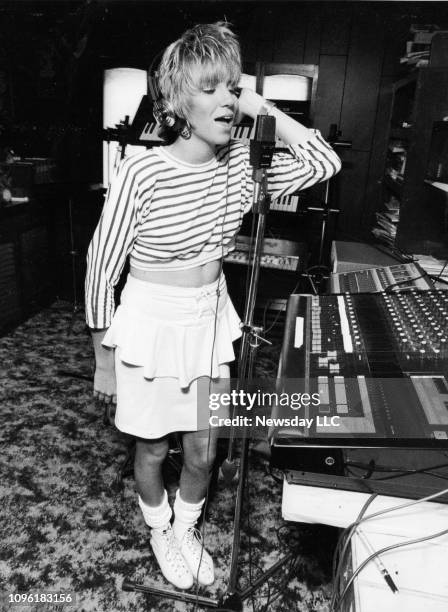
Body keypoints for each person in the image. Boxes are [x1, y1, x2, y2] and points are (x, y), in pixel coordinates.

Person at [85, 22, 341, 591]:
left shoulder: (243, 169)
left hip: (210, 316)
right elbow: (102, 262)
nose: (227, 98)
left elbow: (325, 163)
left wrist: (253, 99)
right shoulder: (142, 169)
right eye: (212, 88)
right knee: (152, 446)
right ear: (178, 102)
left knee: (206, 448)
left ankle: (186, 527)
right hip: (151, 319)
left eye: (232, 87)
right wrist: (102, 357)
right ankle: (159, 530)